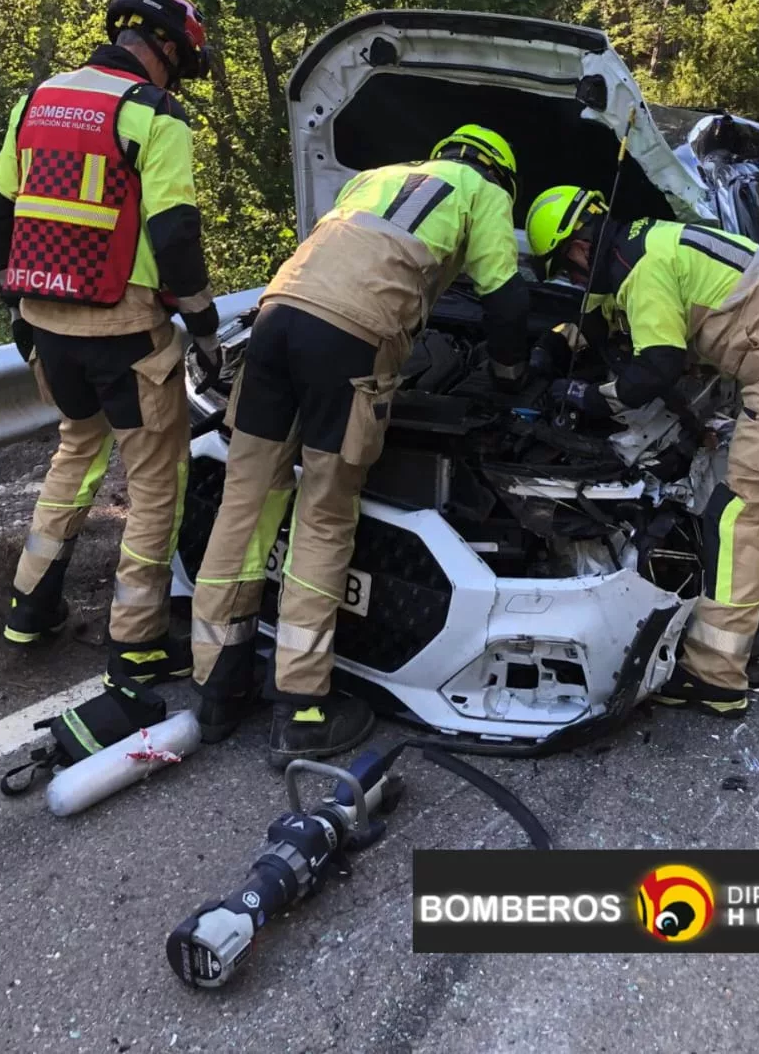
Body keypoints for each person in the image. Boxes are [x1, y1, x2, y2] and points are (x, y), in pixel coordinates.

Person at [191, 124, 529, 766]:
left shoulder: (378, 175)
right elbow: (506, 303)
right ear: (499, 171)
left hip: (276, 317)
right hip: (350, 339)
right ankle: (302, 709)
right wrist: (511, 375)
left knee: (246, 499)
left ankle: (214, 688)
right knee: (323, 514)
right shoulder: (482, 191)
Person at [524, 186, 759, 716]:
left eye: (567, 269)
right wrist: (551, 345)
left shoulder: (644, 270)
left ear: (579, 245)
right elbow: (598, 317)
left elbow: (657, 368)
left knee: (736, 514)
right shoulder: (643, 246)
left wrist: (588, 396)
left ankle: (716, 676)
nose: (574, 280)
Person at [0, 0, 220, 745]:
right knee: (154, 486)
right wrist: (205, 322)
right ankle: (138, 641)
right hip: (127, 332)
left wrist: (18, 301)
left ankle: (29, 608)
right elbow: (175, 235)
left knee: (76, 451)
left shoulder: (40, 99)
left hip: (49, 328)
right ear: (170, 50)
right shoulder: (153, 114)